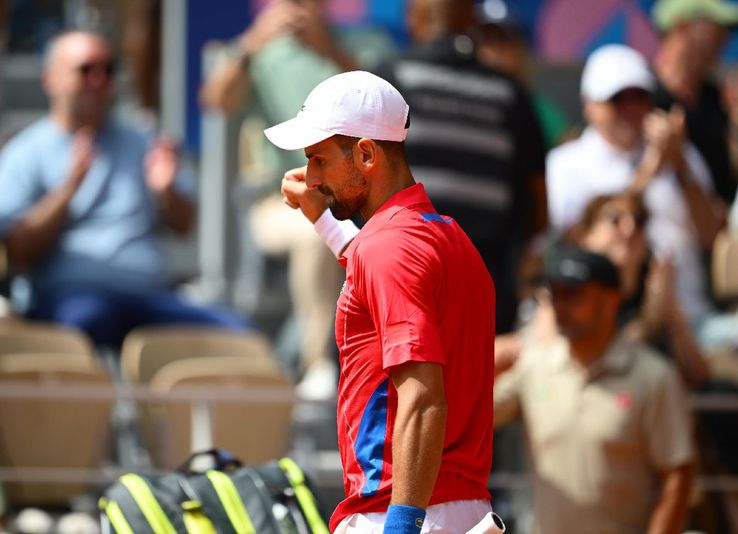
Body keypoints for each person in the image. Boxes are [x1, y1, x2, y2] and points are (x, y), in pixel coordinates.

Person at [270, 71, 502, 534]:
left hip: (401, 512)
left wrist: (400, 526)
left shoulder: (388, 248)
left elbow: (422, 397)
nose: (311, 178)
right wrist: (324, 218)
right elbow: (373, 271)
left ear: (366, 154)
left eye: (319, 160)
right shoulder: (445, 236)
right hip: (456, 507)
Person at [0, 31, 248, 349]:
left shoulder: (142, 140)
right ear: (51, 79)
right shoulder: (26, 152)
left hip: (149, 297)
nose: (100, 80)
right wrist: (68, 190)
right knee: (87, 321)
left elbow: (184, 225)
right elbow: (18, 251)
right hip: (69, 299)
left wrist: (166, 191)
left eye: (109, 69)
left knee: (238, 335)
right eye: (86, 70)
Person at [200, 0, 395, 399]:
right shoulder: (260, 51)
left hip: (360, 204)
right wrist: (254, 42)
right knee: (314, 233)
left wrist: (329, 51)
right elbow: (215, 101)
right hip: (281, 201)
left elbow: (389, 112)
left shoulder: (365, 47)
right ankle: (316, 363)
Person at [374, 0, 548, 335]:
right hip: (483, 294)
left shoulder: (389, 80)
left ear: (414, 18)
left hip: (396, 285)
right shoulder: (510, 94)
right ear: (471, 19)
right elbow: (539, 207)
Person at [495, 245, 695, 534]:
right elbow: (468, 416)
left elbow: (677, 476)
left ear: (611, 299)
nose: (561, 305)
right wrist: (484, 361)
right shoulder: (533, 364)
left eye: (574, 294)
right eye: (555, 293)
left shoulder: (654, 377)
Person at [546, 44, 725, 340]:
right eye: (617, 98)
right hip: (610, 326)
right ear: (589, 105)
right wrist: (651, 170)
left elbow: (712, 237)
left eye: (639, 97)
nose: (630, 108)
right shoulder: (565, 164)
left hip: (693, 321)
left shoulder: (682, 154)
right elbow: (573, 239)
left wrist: (679, 166)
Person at [652, 0, 738, 204]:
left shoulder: (719, 99)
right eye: (718, 28)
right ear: (682, 27)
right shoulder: (638, 98)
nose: (724, 39)